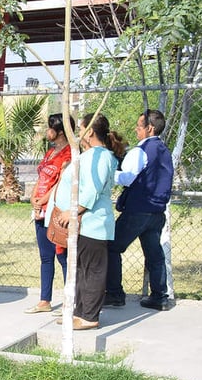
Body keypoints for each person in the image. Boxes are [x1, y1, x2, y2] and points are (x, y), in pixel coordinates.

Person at [47, 113, 125, 330]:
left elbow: (91, 191)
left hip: (92, 224)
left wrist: (72, 212)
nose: (78, 134)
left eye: (80, 129)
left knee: (92, 271)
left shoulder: (100, 157)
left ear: (90, 131)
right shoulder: (89, 155)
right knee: (80, 269)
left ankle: (90, 316)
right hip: (80, 225)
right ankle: (78, 311)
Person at [105, 109, 174, 311]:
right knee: (154, 253)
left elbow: (128, 177)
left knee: (112, 247)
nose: (136, 129)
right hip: (157, 211)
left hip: (138, 210)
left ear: (150, 128)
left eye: (139, 125)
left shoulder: (141, 151)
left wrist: (110, 173)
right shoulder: (164, 150)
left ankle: (115, 294)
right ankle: (160, 296)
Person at [24, 113, 74, 314]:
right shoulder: (50, 152)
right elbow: (42, 176)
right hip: (41, 211)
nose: (47, 132)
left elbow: (61, 182)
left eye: (50, 128)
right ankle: (45, 300)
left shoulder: (69, 154)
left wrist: (45, 200)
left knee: (62, 256)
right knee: (45, 257)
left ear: (60, 132)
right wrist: (34, 198)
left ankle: (70, 301)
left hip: (55, 210)